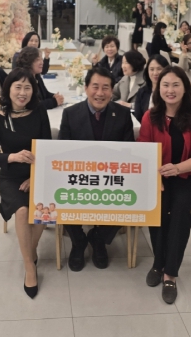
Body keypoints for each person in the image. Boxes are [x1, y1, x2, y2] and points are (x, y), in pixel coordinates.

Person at [138, 66, 191, 304]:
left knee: (180, 212)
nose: (170, 90)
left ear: (185, 88)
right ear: (158, 88)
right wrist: (157, 178)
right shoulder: (150, 116)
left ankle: (170, 273)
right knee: (157, 208)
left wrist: (178, 168)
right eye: (165, 85)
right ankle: (158, 262)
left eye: (175, 85)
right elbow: (144, 152)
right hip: (158, 177)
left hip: (187, 177)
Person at [58, 67, 135, 271]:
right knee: (59, 192)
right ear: (86, 88)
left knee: (130, 195)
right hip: (78, 177)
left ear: (112, 91)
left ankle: (99, 237)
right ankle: (78, 240)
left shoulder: (123, 114)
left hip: (112, 178)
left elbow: (130, 151)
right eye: (95, 87)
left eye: (105, 88)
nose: (100, 93)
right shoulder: (70, 114)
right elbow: (61, 153)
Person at [0, 68, 52, 298]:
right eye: (18, 87)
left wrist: (35, 176)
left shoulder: (39, 111)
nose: (23, 93)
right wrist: (12, 157)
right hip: (11, 175)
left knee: (45, 207)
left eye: (27, 88)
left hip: (38, 172)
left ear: (33, 91)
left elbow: (47, 146)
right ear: (8, 89)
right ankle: (29, 266)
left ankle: (29, 251)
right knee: (23, 211)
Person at [134, 54, 170, 122]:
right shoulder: (142, 92)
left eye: (159, 69)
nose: (155, 73)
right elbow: (138, 117)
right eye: (151, 69)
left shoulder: (170, 92)